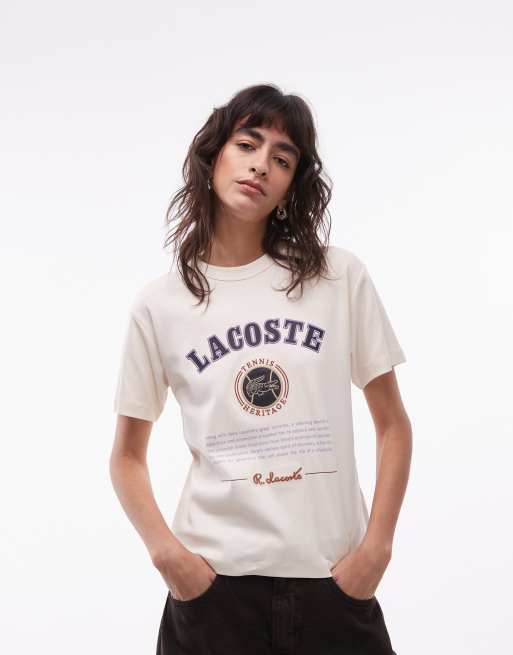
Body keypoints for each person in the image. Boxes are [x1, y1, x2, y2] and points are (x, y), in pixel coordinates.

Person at [110, 83, 412, 654]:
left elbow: (393, 424)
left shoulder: (337, 279)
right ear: (214, 155)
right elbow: (126, 455)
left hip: (334, 585)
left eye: (282, 159)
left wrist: (377, 549)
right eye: (247, 144)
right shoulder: (161, 305)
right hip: (213, 595)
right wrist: (168, 556)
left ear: (292, 185)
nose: (261, 166)